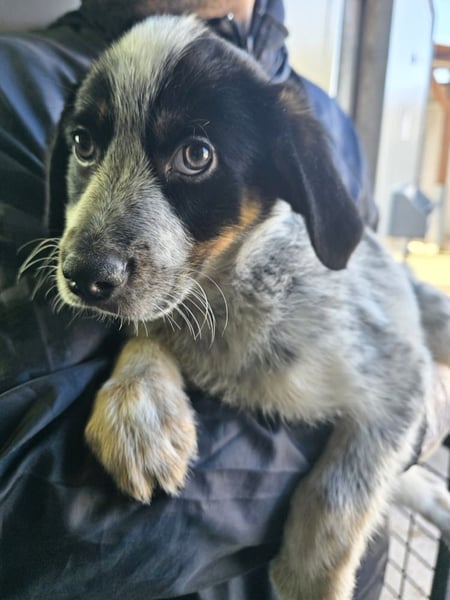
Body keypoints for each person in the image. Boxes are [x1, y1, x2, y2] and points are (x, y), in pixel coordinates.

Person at [0, 0, 431, 598]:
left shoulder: (321, 116)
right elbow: (27, 490)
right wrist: (146, 356)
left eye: (195, 155)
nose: (88, 251)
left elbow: (367, 285)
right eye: (86, 145)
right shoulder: (15, 81)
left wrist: (425, 403)